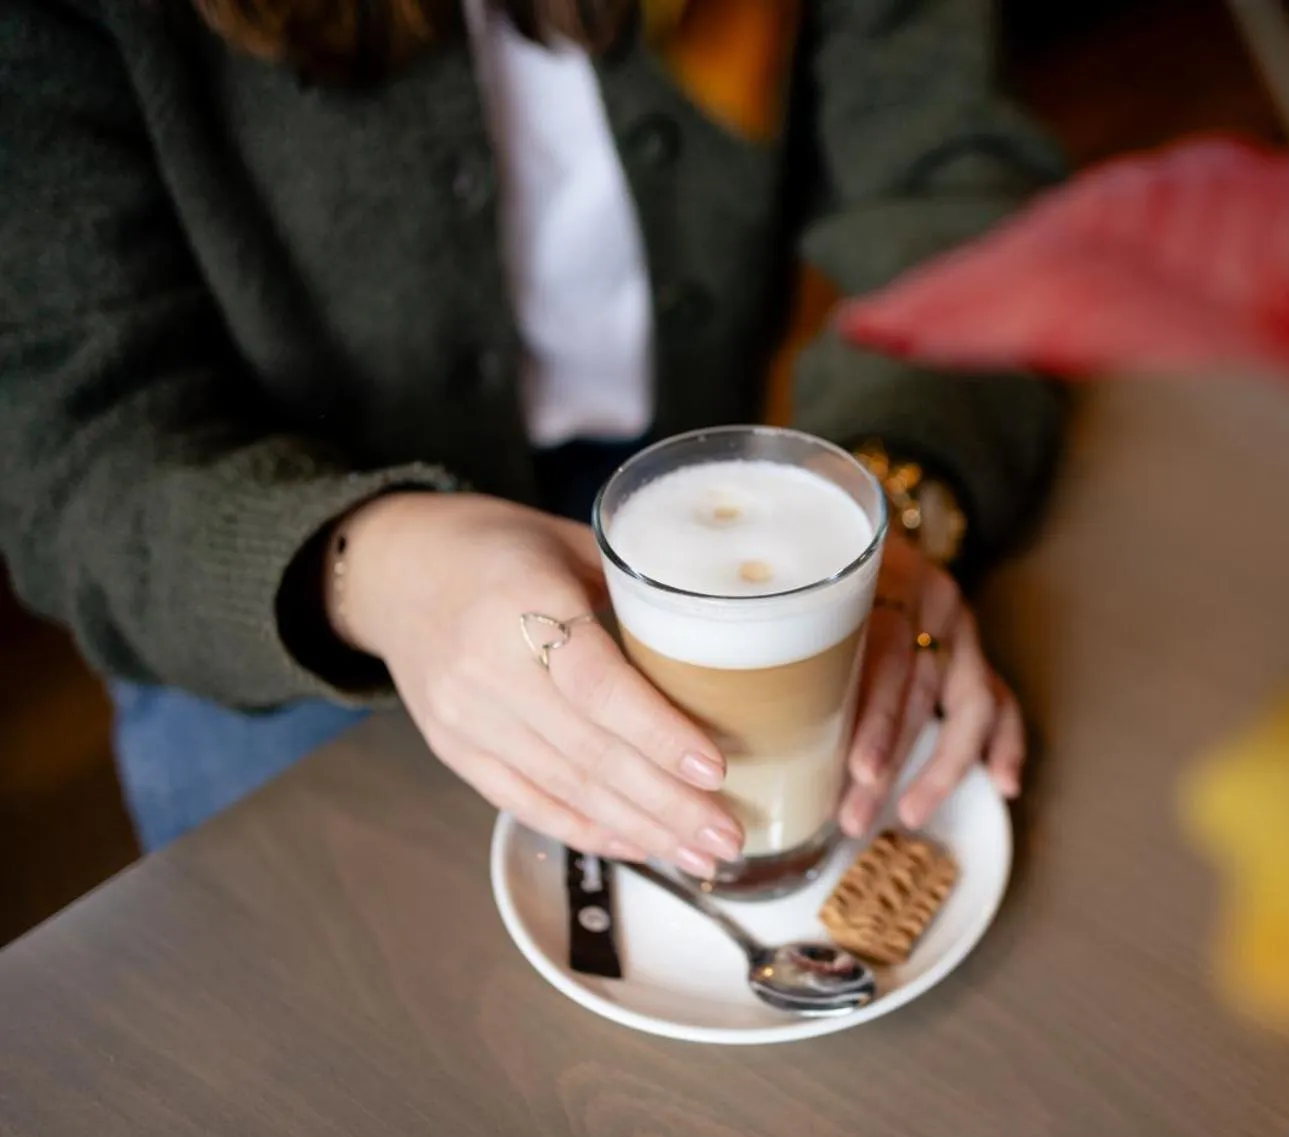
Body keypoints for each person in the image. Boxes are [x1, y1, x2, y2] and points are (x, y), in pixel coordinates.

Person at [0, 0, 1066, 873]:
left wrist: (897, 485)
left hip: (680, 501)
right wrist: (375, 570)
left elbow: (957, 183)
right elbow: (75, 447)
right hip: (265, 575)